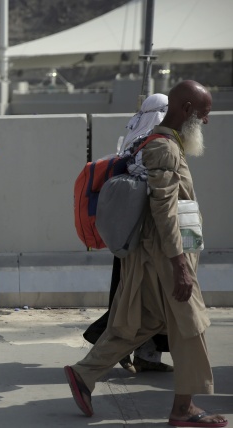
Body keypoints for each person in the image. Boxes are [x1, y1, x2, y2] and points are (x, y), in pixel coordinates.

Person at [64, 81, 228, 427]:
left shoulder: (156, 143)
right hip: (166, 257)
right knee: (191, 325)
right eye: (204, 113)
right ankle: (184, 410)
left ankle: (84, 374)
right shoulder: (165, 149)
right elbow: (164, 210)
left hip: (154, 255)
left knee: (142, 321)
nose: (207, 121)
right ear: (185, 110)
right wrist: (180, 264)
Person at [83, 93, 173, 374]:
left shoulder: (134, 139)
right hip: (142, 235)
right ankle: (105, 343)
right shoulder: (151, 143)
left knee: (144, 298)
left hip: (131, 231)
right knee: (137, 299)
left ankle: (146, 356)